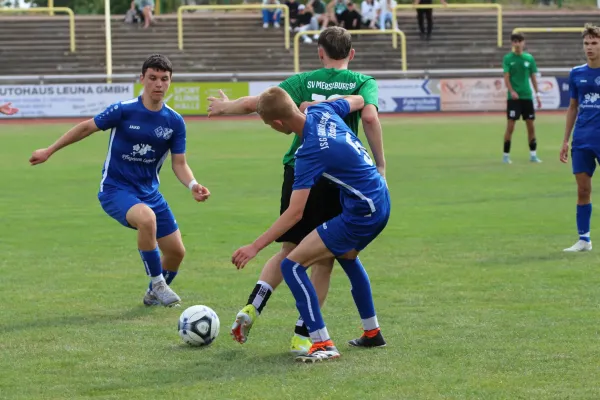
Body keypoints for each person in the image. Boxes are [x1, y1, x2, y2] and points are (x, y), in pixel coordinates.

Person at [207, 26, 386, 355]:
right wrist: (381, 164)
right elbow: (370, 116)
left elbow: (262, 102)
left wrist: (228, 106)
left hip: (300, 169)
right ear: (352, 53)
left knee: (289, 249)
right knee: (326, 259)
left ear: (319, 52)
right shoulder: (360, 83)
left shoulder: (304, 83)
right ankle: (305, 335)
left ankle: (255, 306)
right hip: (343, 181)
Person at [29, 54, 210, 306]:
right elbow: (85, 127)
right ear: (142, 79)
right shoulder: (123, 110)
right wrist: (49, 150)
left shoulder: (175, 122)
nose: (158, 84)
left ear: (170, 82)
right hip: (115, 190)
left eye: (164, 79)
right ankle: (158, 283)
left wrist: (193, 185)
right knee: (147, 218)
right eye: (153, 78)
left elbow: (179, 163)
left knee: (176, 252)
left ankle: (152, 294)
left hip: (149, 193)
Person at [232, 87, 390, 363]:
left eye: (270, 125)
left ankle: (322, 342)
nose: (272, 128)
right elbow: (359, 100)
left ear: (279, 123)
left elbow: (295, 214)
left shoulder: (308, 153)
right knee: (347, 257)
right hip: (379, 199)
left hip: (361, 212)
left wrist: (255, 246)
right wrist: (329, 101)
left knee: (291, 265)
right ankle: (372, 331)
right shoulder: (322, 110)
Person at [560, 23, 600, 252]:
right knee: (583, 190)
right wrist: (565, 140)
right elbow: (572, 107)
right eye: (586, 43)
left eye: (594, 43)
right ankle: (584, 239)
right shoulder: (577, 73)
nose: (589, 48)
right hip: (583, 139)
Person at [502, 32, 543, 164]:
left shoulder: (529, 58)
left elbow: (533, 77)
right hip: (514, 98)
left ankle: (533, 155)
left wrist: (537, 94)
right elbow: (506, 77)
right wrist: (512, 91)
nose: (517, 44)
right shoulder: (508, 58)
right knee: (511, 126)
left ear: (523, 43)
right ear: (512, 43)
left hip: (527, 97)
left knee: (531, 126)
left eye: (519, 41)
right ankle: (506, 156)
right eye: (515, 41)